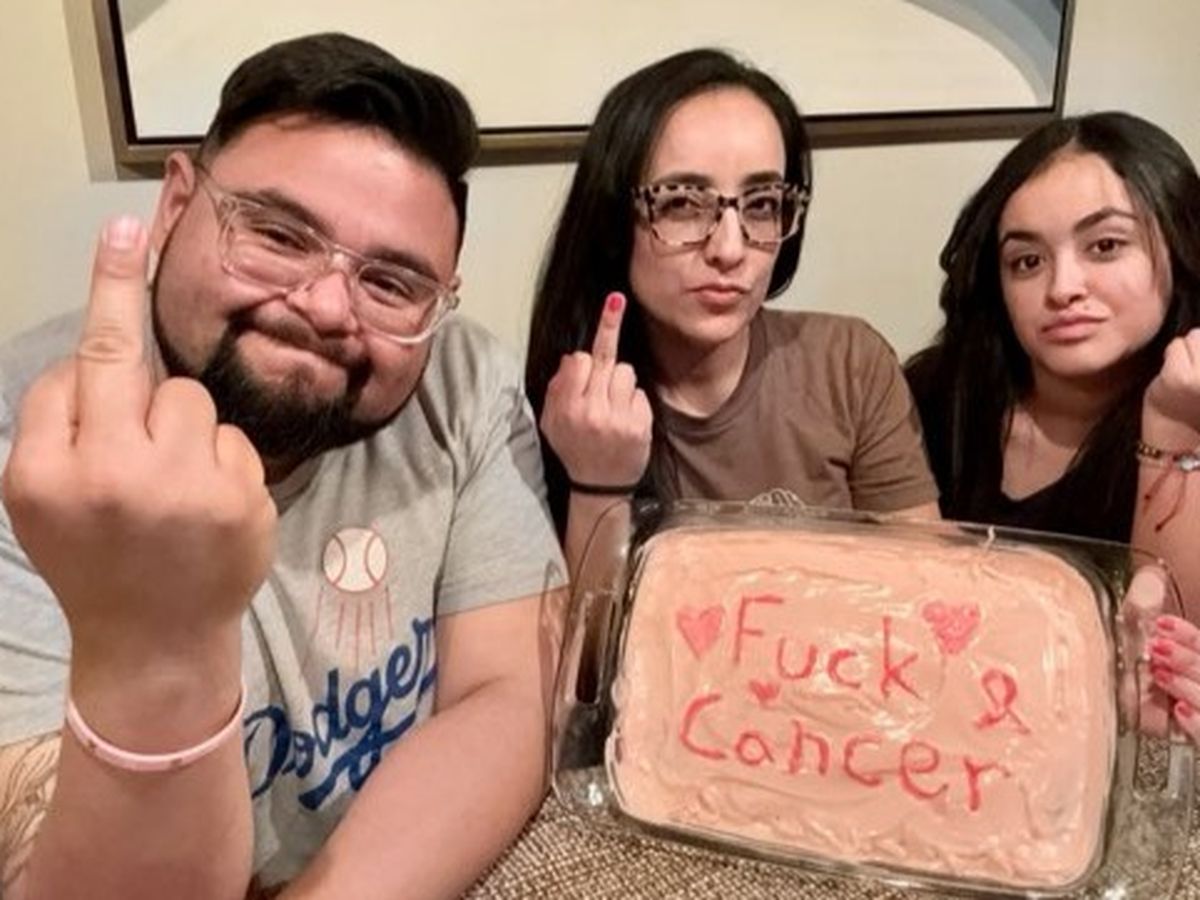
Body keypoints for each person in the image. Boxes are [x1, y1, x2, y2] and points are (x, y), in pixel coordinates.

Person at [0, 33, 566, 899]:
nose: (327, 306)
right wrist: (159, 640)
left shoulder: (463, 382)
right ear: (175, 204)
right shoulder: (32, 450)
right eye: (275, 234)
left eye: (392, 283)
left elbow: (509, 695)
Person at [524, 48, 939, 570]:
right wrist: (597, 483)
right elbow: (591, 624)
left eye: (762, 204)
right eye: (681, 202)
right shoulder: (571, 407)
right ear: (612, 220)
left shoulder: (848, 366)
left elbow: (925, 587)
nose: (729, 249)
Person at [904, 111, 1200, 734]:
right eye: (1027, 261)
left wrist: (1172, 426)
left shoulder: (1188, 411)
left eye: (1105, 246)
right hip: (933, 743)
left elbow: (1170, 675)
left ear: (1179, 244)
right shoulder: (934, 394)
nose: (1062, 287)